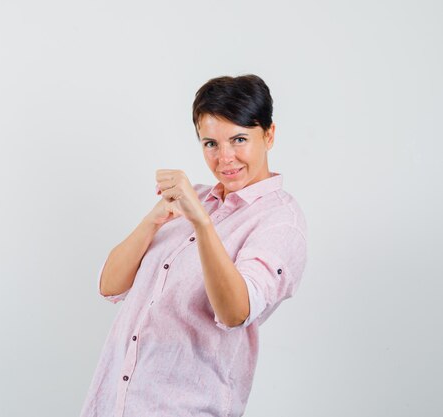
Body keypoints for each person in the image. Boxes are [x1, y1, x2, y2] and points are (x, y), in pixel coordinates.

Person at [79, 74, 308, 417]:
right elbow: (109, 286)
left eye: (239, 139)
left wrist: (202, 223)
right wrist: (152, 221)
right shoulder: (194, 199)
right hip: (113, 403)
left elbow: (236, 312)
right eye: (210, 144)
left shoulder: (280, 220)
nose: (225, 157)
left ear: (269, 135)